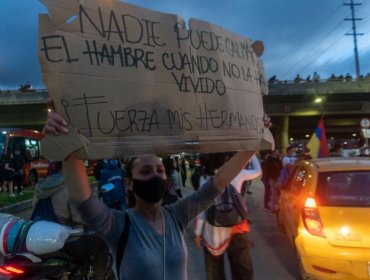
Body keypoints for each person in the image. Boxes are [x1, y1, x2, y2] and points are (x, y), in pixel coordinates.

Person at [43, 108, 271, 280]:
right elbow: (82, 198)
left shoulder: (176, 215)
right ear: (129, 183)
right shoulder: (117, 225)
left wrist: (253, 145)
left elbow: (219, 182)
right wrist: (65, 141)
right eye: (145, 171)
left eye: (160, 170)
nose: (155, 175)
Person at [31, 161, 111, 279]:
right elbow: (79, 217)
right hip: (65, 241)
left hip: (37, 239)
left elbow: (34, 207)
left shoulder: (40, 187)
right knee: (101, 242)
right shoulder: (68, 186)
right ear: (64, 169)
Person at [194, 153, 261, 280]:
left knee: (215, 273)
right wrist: (251, 153)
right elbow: (258, 171)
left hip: (212, 233)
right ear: (226, 159)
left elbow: (202, 210)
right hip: (236, 230)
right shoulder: (237, 173)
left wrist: (198, 233)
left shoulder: (204, 178)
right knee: (242, 272)